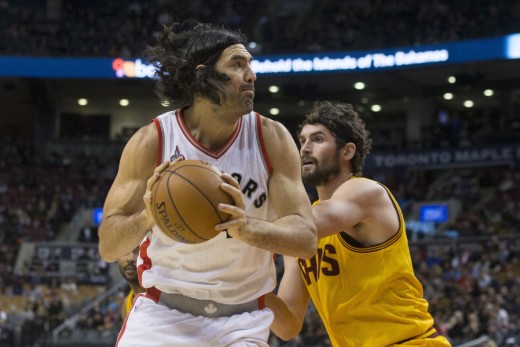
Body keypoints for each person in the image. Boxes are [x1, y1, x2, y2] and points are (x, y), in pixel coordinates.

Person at [98, 21, 316, 347]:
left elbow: (306, 239)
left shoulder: (271, 138)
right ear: (205, 75)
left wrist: (246, 228)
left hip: (242, 320)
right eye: (237, 65)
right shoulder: (152, 141)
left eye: (250, 65)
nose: (251, 75)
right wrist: (148, 216)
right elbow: (108, 246)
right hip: (163, 313)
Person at [266, 100, 451, 346]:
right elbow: (287, 326)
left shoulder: (364, 192)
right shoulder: (299, 228)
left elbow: (312, 223)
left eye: (318, 139)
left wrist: (238, 225)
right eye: (302, 140)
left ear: (347, 152)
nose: (305, 149)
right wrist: (249, 286)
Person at [117, 247, 144, 320]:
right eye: (125, 252)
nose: (130, 258)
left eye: (138, 251)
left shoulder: (166, 296)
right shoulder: (126, 304)